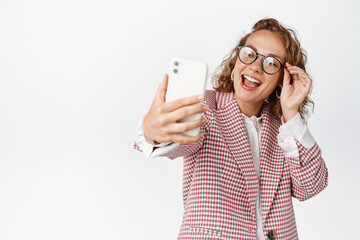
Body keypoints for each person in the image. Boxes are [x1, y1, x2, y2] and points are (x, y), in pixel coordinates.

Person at [134, 18, 328, 240]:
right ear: (237, 59)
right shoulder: (207, 106)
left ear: (283, 79)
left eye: (271, 63)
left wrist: (291, 113)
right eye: (249, 54)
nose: (255, 66)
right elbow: (179, 138)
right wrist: (153, 132)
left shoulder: (284, 132)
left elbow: (311, 186)